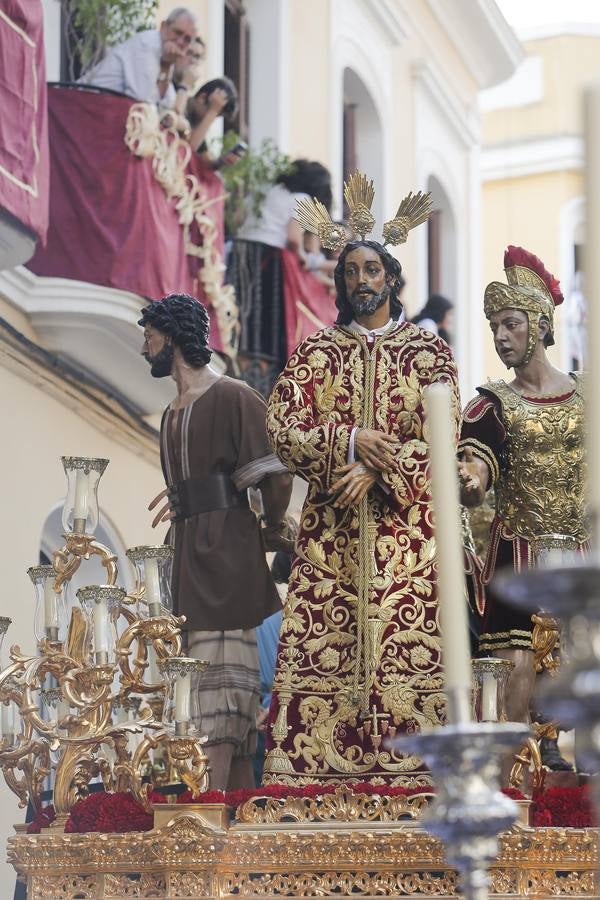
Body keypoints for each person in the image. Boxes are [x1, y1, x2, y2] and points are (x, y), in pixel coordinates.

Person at [261, 182, 460, 786]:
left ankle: (423, 775)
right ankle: (313, 777)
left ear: (392, 277)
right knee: (326, 659)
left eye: (372, 269)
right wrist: (346, 443)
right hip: (332, 543)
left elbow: (445, 435)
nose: (360, 280)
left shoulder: (429, 353)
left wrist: (381, 462)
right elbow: (280, 426)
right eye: (350, 271)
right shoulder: (317, 351)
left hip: (409, 543)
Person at [139, 293, 294, 791]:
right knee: (199, 693)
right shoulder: (171, 412)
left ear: (176, 337)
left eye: (150, 335)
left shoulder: (233, 395)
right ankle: (228, 818)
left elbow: (275, 474)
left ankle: (212, 819)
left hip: (224, 559)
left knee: (223, 702)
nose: (144, 347)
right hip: (190, 558)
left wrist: (271, 526)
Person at [458, 246, 588, 760]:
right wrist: (470, 478)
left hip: (580, 549)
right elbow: (478, 459)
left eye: (510, 325)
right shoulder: (490, 403)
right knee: (516, 666)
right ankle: (524, 759)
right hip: (520, 555)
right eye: (494, 328)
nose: (501, 337)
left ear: (539, 324)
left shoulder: (587, 394)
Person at [226, 159, 333, 395]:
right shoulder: (301, 199)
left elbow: (238, 217)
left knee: (243, 303)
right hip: (269, 255)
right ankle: (259, 360)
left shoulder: (266, 189)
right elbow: (294, 237)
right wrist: (302, 256)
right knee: (264, 312)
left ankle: (235, 347)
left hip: (242, 249)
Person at [80, 7, 197, 110]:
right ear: (163, 27)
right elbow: (143, 104)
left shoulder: (164, 58)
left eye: (187, 39)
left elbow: (165, 106)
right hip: (82, 105)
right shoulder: (146, 44)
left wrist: (168, 64)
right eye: (177, 32)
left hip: (103, 111)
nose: (180, 41)